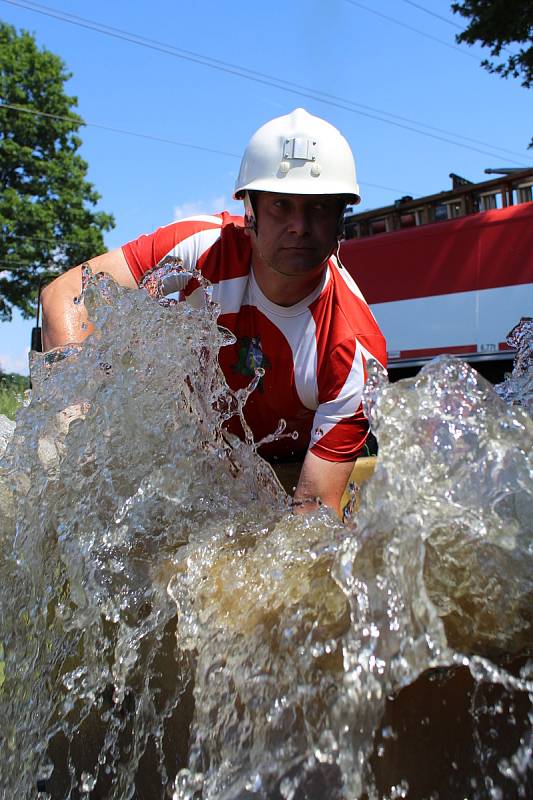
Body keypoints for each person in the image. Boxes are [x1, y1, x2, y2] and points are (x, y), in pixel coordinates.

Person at [41, 108, 387, 516]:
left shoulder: (354, 350)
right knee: (57, 455)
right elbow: (65, 292)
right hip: (197, 454)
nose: (300, 225)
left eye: (319, 208)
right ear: (250, 211)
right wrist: (73, 415)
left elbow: (310, 514)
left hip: (290, 470)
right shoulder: (201, 247)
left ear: (340, 219)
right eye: (281, 205)